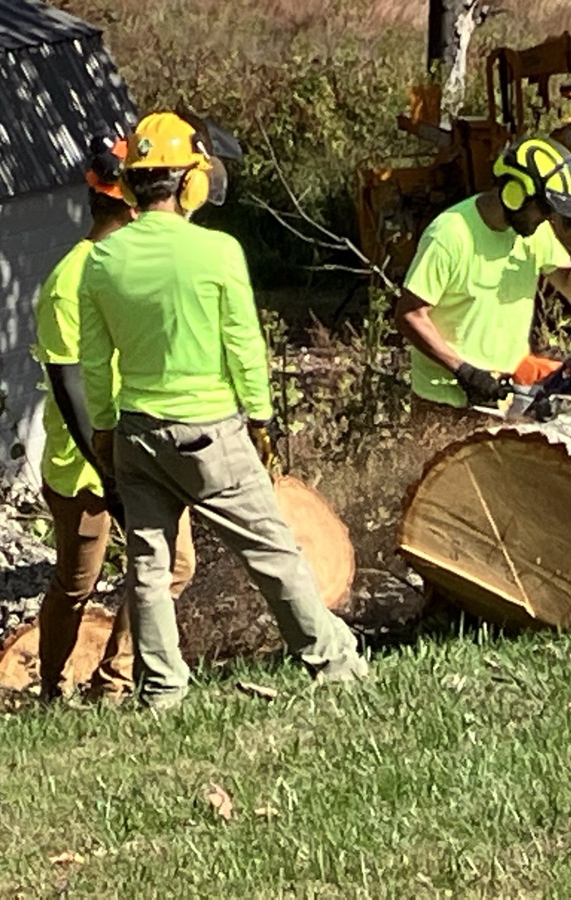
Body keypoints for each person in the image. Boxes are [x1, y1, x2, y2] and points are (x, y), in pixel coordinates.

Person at [78, 111, 367, 710]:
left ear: (131, 184)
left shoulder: (101, 262)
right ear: (190, 183)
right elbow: (244, 344)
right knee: (273, 553)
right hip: (212, 433)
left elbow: (93, 360)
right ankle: (333, 663)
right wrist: (259, 420)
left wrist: (106, 432)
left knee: (149, 569)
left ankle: (160, 688)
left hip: (137, 433)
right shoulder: (218, 251)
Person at [33, 134, 196, 703]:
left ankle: (115, 680)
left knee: (172, 565)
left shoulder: (135, 268)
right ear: (127, 202)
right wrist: (106, 471)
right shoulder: (67, 283)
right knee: (77, 584)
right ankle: (52, 688)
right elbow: (69, 386)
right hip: (83, 464)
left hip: (144, 443)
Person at [394, 136, 571, 412]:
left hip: (506, 398)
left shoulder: (534, 234)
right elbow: (409, 314)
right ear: (515, 193)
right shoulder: (451, 234)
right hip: (445, 403)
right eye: (544, 209)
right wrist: (464, 371)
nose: (547, 219)